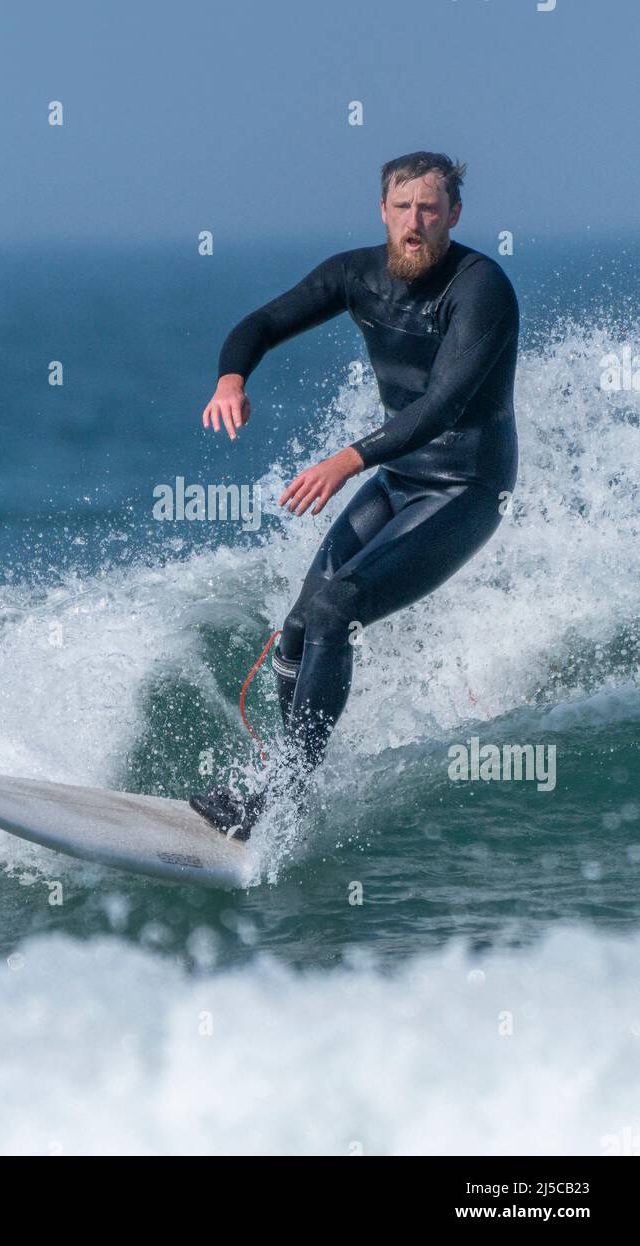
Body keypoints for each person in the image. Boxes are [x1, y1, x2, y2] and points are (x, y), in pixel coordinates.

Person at [189, 152, 519, 840]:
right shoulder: (357, 275)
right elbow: (263, 323)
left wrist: (347, 460)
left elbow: (444, 404)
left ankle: (282, 796)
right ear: (383, 212)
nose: (415, 223)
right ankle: (294, 784)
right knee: (298, 632)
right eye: (403, 208)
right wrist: (231, 378)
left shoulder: (480, 287)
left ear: (454, 216)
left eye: (430, 210)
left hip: (467, 486)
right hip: (401, 480)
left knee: (339, 606)